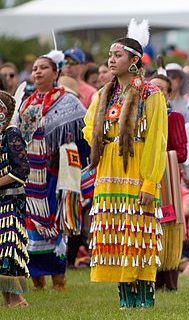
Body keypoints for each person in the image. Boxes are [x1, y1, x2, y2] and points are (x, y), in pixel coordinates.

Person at [83, 19, 168, 308]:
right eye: (110, 55)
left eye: (117, 55)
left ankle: (144, 299)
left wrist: (149, 181)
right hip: (109, 171)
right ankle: (125, 299)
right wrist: (105, 142)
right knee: (118, 233)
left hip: (137, 169)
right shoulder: (104, 93)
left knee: (138, 233)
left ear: (135, 60)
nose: (110, 59)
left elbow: (157, 139)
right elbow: (88, 127)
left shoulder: (151, 94)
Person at [14, 48, 89, 292]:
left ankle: (59, 280)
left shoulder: (68, 101)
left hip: (55, 173)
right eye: (34, 68)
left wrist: (65, 153)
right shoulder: (26, 102)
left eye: (43, 67)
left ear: (55, 72)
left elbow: (82, 136)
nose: (37, 72)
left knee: (55, 222)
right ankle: (37, 280)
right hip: (29, 175)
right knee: (30, 225)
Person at [149, 57, 188, 291]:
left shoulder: (174, 117)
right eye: (152, 88)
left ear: (169, 95)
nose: (156, 93)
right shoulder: (139, 117)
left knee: (168, 224)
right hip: (144, 176)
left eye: (161, 89)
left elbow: (181, 153)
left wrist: (157, 155)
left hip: (166, 177)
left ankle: (168, 280)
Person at [0, 90, 30, 307]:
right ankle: (9, 298)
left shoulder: (11, 134)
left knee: (9, 247)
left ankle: (17, 299)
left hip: (11, 201)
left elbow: (22, 170)